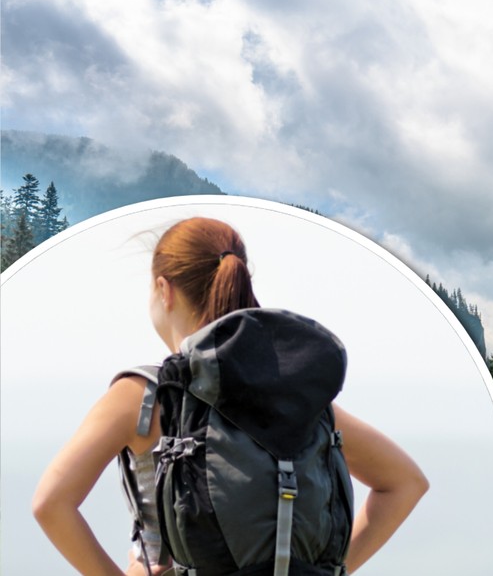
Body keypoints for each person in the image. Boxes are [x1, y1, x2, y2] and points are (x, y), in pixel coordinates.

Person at [31, 217, 430, 575]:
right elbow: (405, 483)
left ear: (162, 290)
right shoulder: (295, 396)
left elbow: (51, 504)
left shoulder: (144, 395)